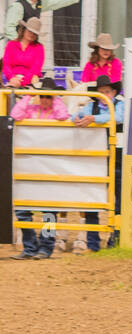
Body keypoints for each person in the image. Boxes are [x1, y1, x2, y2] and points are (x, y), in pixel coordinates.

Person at [10, 80, 68, 258]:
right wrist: (29, 96)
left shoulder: (56, 111)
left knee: (49, 210)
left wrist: (55, 98)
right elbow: (15, 114)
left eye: (47, 96)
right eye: (41, 96)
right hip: (29, 165)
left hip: (49, 166)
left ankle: (46, 247)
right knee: (22, 209)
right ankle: (29, 247)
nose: (44, 99)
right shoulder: (31, 110)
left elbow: (63, 115)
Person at [72, 74, 124, 252]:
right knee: (93, 200)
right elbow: (75, 115)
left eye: (107, 92)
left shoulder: (120, 104)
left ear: (114, 92)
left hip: (116, 159)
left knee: (118, 201)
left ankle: (115, 239)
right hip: (97, 160)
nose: (104, 95)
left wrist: (93, 119)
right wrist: (78, 119)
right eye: (101, 92)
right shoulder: (91, 107)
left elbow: (118, 117)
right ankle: (93, 242)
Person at [5, 0, 86, 42]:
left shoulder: (40, 3)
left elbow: (57, 1)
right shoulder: (17, 6)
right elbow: (9, 28)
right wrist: (19, 43)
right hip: (17, 46)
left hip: (30, 44)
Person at [3, 17, 44, 87]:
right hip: (11, 79)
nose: (32, 34)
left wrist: (22, 82)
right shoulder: (11, 45)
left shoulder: (39, 48)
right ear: (24, 30)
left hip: (30, 81)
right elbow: (6, 64)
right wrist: (12, 78)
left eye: (34, 33)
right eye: (30, 31)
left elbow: (36, 68)